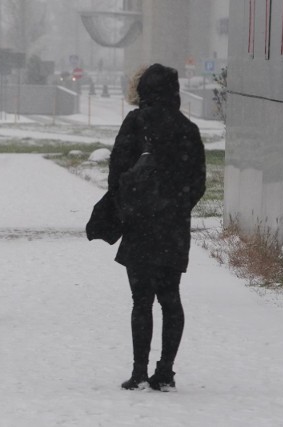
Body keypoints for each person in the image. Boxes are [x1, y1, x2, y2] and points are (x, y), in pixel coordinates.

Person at [107, 64, 206, 391]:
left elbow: (117, 172)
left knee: (141, 301)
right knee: (170, 298)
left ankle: (138, 371)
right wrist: (176, 208)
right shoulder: (188, 129)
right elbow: (198, 182)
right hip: (172, 229)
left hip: (139, 226)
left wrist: (129, 209)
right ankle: (165, 371)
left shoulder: (135, 123)